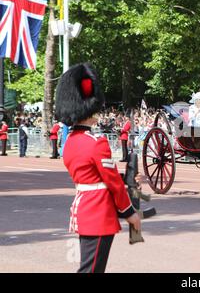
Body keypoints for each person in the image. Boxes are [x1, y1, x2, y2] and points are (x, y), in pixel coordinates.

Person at [55, 62, 140, 273]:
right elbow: (112, 183)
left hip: (85, 208)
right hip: (98, 213)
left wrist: (125, 178)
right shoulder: (96, 142)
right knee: (91, 270)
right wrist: (130, 212)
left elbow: (96, 176)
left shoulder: (71, 142)